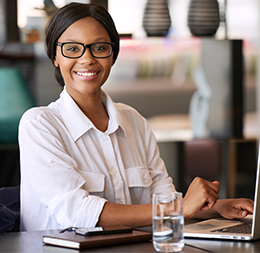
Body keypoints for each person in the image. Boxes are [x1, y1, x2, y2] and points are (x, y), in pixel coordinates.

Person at [19, 2, 254, 231]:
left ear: (113, 55)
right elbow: (76, 212)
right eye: (72, 48)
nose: (87, 58)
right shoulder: (39, 125)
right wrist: (180, 208)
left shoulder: (134, 121)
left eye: (99, 47)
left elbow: (162, 204)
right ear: (55, 57)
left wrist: (213, 207)